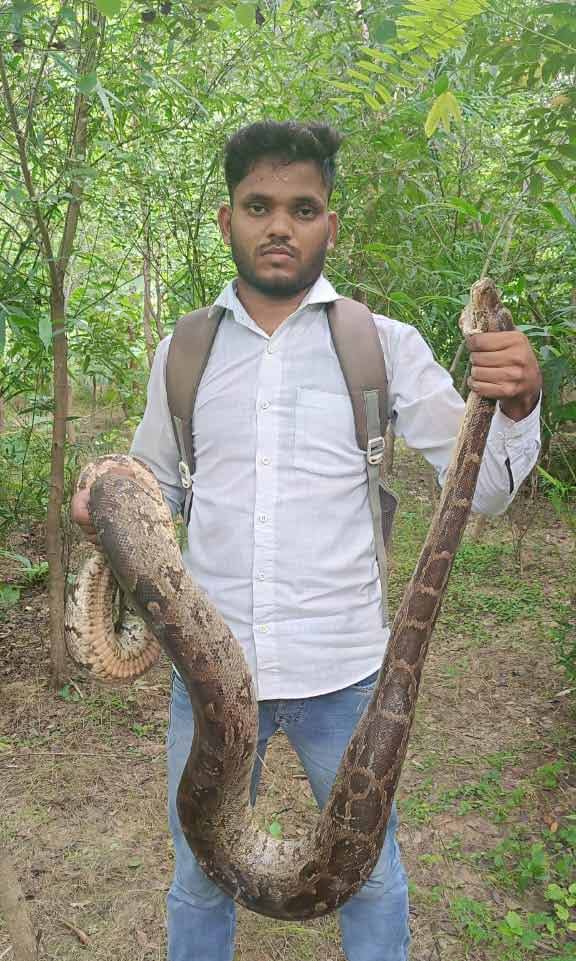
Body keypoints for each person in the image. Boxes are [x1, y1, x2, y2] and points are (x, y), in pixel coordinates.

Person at [71, 120, 542, 961]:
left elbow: (494, 491)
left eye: (302, 207)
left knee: (374, 876)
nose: (279, 225)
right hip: (212, 684)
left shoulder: (381, 345)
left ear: (331, 223)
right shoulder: (183, 351)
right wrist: (107, 498)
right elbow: (157, 492)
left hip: (346, 676)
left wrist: (514, 405)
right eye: (259, 205)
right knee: (198, 878)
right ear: (227, 221)